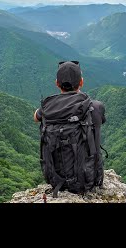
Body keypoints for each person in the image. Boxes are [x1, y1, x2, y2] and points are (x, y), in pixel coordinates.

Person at [33, 60, 106, 196]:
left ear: (56, 83)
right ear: (82, 82)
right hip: (88, 180)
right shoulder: (95, 106)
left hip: (55, 180)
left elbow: (35, 117)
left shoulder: (46, 108)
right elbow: (100, 121)